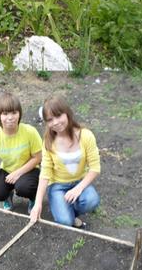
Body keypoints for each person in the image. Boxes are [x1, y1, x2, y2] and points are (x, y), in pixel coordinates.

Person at [29, 96, 101, 228]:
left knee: (92, 200)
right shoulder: (48, 142)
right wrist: (38, 203)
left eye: (58, 116)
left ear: (67, 113)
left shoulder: (86, 136)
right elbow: (45, 173)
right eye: (50, 120)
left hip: (79, 181)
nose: (55, 122)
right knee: (66, 222)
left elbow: (95, 168)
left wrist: (78, 189)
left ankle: (68, 205)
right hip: (57, 186)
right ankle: (64, 208)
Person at [0, 93, 42, 213]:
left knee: (24, 187)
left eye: (14, 113)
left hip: (29, 170)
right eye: (5, 113)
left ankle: (33, 198)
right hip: (7, 171)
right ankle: (8, 195)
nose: (10, 117)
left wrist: (18, 173)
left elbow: (38, 158)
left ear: (19, 114)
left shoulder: (30, 132)